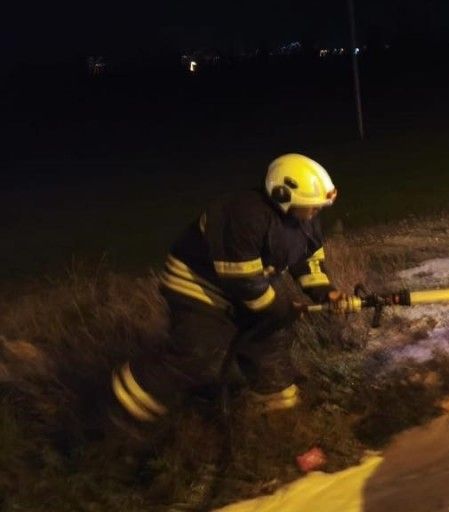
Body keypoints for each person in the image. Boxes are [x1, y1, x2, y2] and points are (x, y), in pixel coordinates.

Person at [106, 153, 346, 440]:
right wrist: (280, 309)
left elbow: (308, 262)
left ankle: (278, 421)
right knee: (199, 349)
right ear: (282, 195)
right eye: (312, 205)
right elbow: (243, 281)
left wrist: (327, 293)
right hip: (198, 284)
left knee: (270, 343)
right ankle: (122, 404)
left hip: (247, 286)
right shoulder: (243, 216)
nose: (316, 211)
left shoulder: (304, 220)